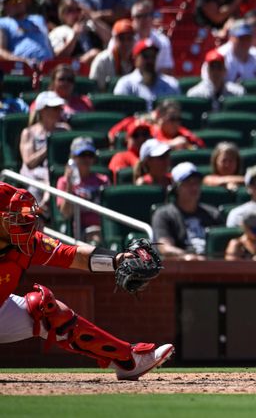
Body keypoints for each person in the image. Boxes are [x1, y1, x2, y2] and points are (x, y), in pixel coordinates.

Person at [0, 181, 174, 379]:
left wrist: (117, 260)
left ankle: (129, 360)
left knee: (45, 310)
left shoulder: (27, 244)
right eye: (14, 218)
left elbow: (75, 256)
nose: (25, 223)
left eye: (24, 217)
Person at [152, 162, 223, 260]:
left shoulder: (213, 214)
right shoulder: (164, 215)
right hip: (180, 270)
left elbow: (223, 247)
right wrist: (187, 257)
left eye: (197, 182)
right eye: (188, 183)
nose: (194, 187)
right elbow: (165, 248)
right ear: (176, 188)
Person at [20, 92, 70, 210]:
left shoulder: (64, 130)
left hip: (57, 173)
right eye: (54, 108)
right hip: (35, 176)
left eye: (59, 108)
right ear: (42, 110)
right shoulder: (29, 133)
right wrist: (50, 147)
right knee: (36, 188)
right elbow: (29, 162)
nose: (58, 112)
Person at [55, 137, 109, 243]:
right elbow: (66, 213)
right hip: (81, 232)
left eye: (90, 155)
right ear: (72, 158)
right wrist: (70, 184)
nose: (86, 159)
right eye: (82, 155)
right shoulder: (63, 182)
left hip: (103, 228)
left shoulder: (103, 180)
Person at [113, 39, 180, 110]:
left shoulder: (171, 84)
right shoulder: (125, 83)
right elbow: (120, 113)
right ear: (135, 59)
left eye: (153, 56)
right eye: (145, 56)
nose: (150, 61)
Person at [0, 0, 53, 65]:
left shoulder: (38, 19)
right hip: (22, 70)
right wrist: (22, 61)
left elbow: (48, 45)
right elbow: (1, 51)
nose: (17, 3)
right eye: (12, 1)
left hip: (48, 66)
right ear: (5, 6)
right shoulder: (3, 22)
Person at [48, 0, 107, 65]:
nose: (75, 13)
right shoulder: (58, 32)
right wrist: (74, 36)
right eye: (70, 10)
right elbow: (58, 57)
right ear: (62, 14)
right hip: (73, 68)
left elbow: (111, 39)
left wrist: (92, 19)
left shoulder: (90, 26)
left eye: (78, 10)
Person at [89, 18, 136, 91]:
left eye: (129, 38)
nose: (126, 43)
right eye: (121, 39)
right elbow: (94, 90)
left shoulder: (138, 60)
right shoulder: (103, 60)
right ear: (114, 39)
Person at [132, 0, 173, 75]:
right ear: (132, 19)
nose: (144, 20)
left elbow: (167, 69)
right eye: (139, 16)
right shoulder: (124, 39)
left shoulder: (162, 41)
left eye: (147, 15)